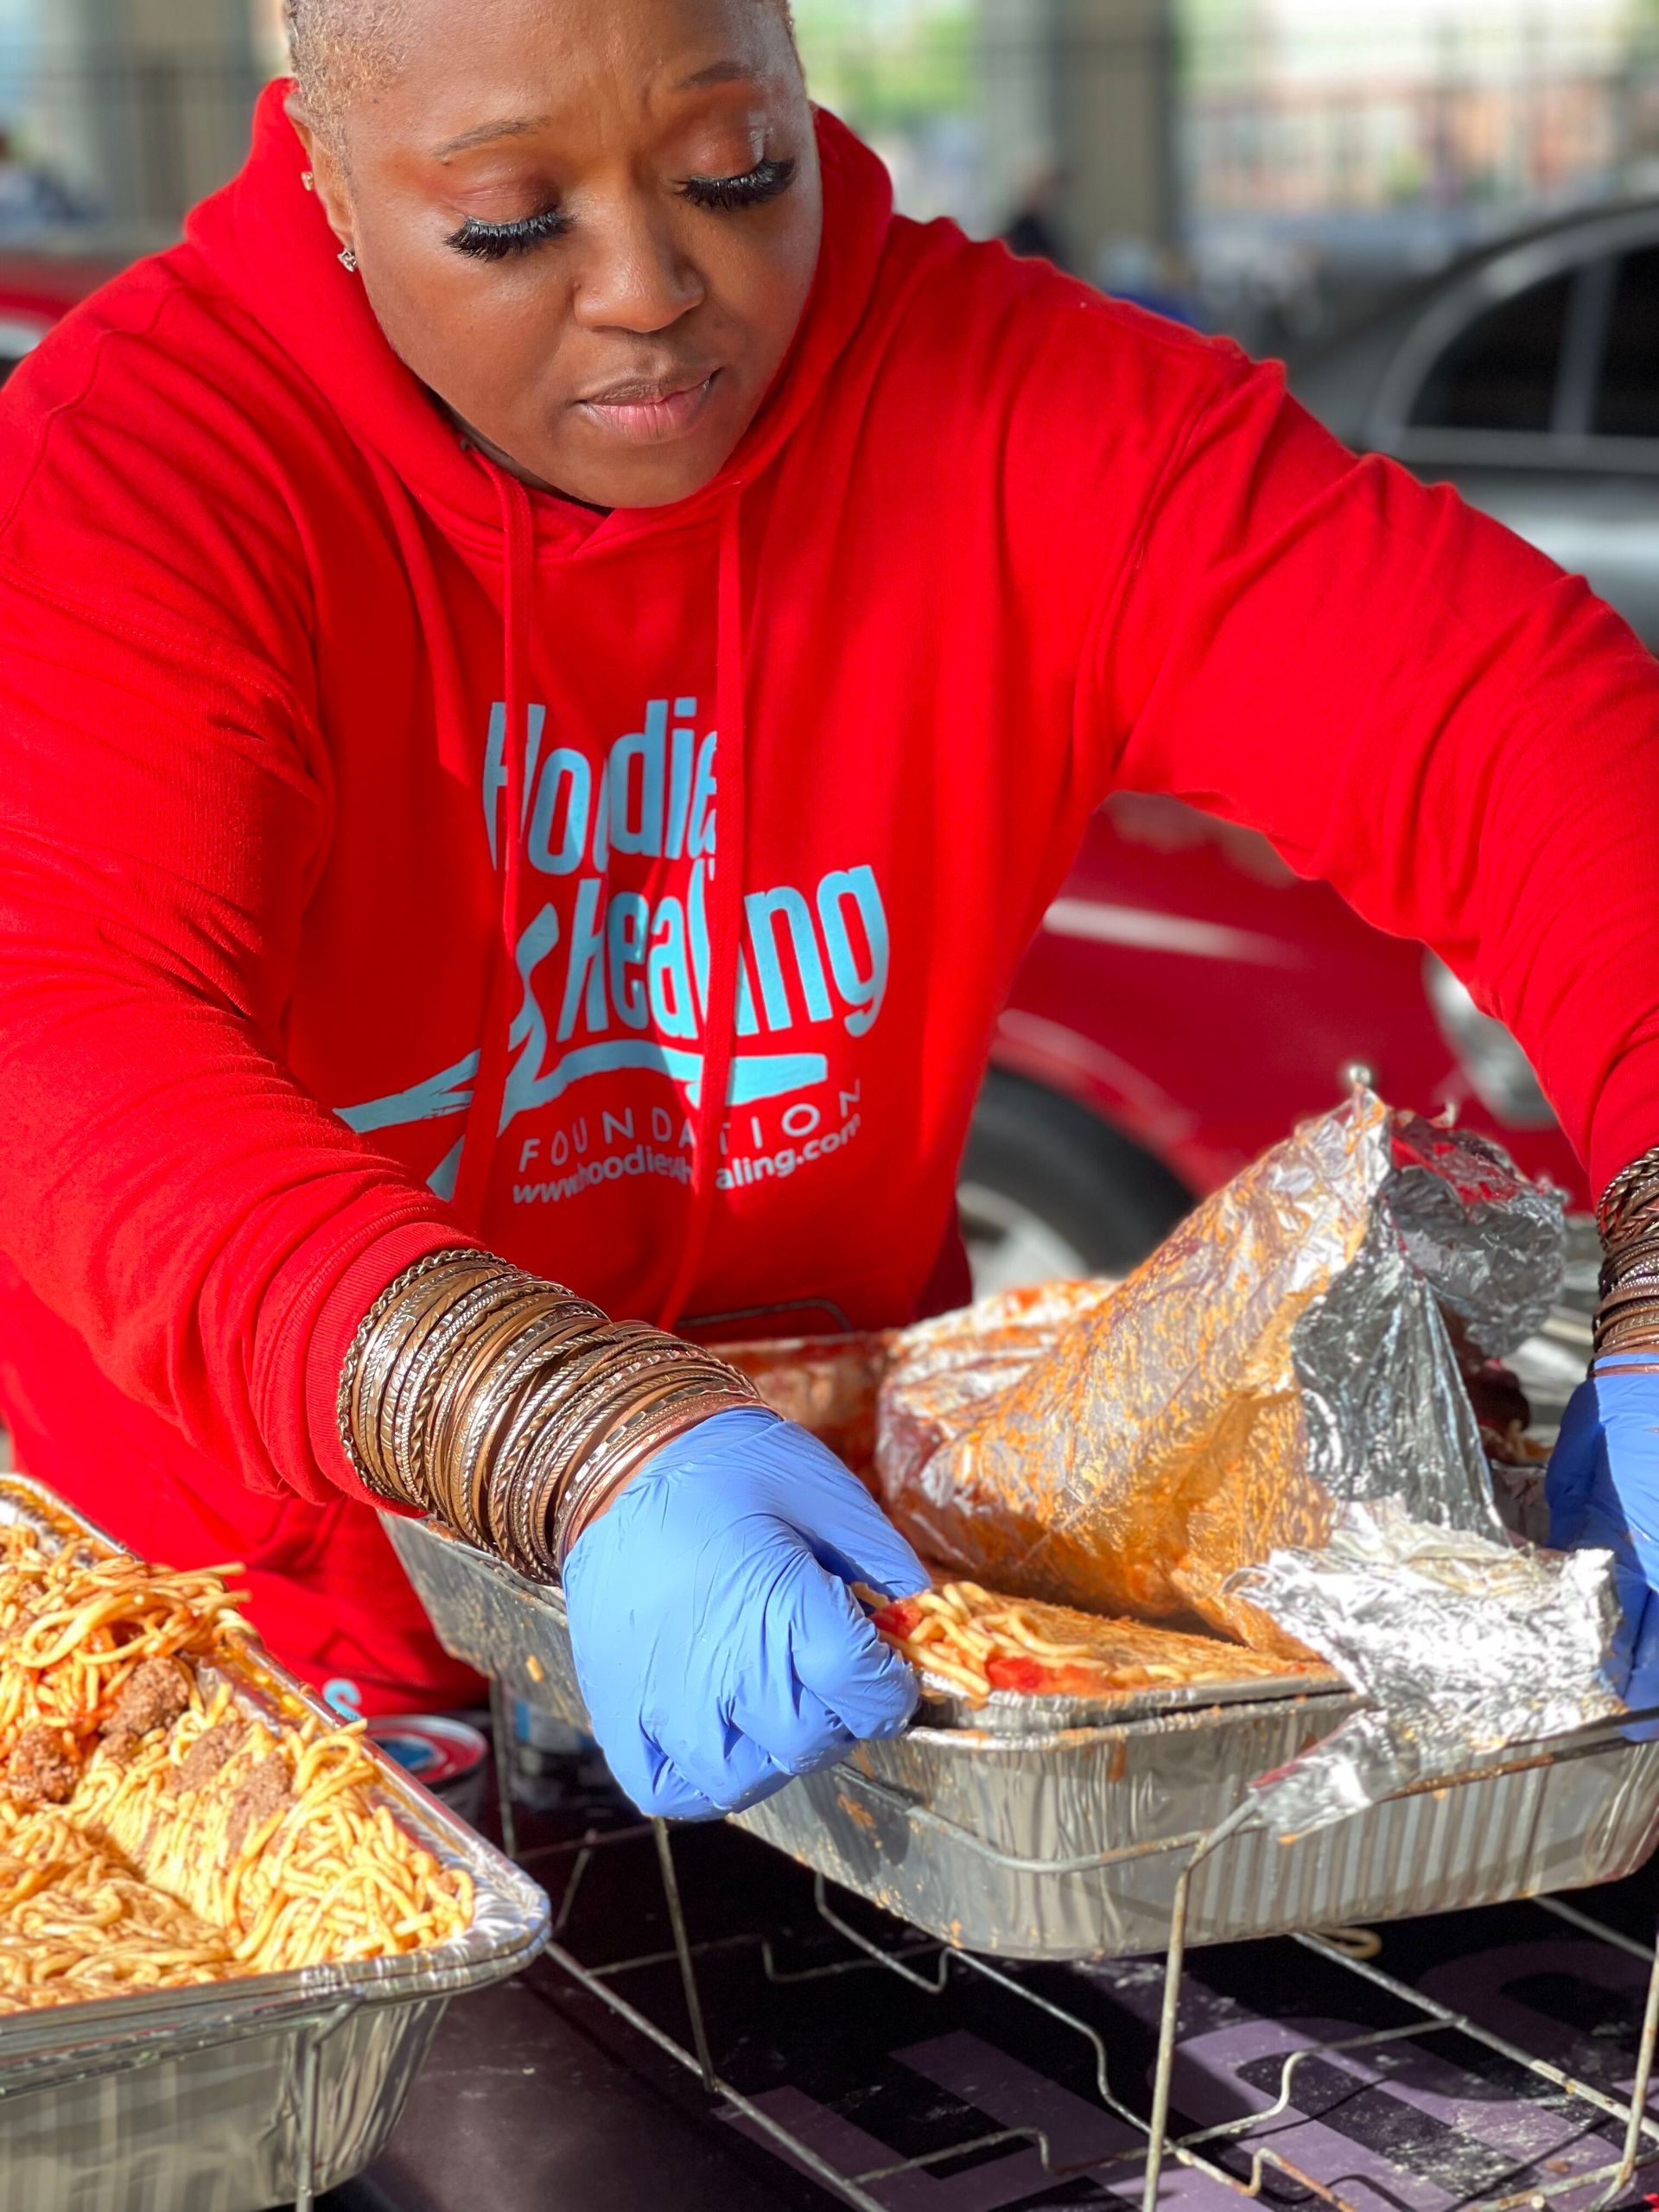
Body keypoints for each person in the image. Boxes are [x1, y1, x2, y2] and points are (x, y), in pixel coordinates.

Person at [2, 0, 1658, 1820]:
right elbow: (70, 1035)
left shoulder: (1006, 398)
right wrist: (550, 1423)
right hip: (246, 1659)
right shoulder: (142, 464)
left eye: (736, 173)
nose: (649, 285)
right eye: (507, 221)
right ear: (322, 169)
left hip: (840, 1609)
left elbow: (1521, 730)